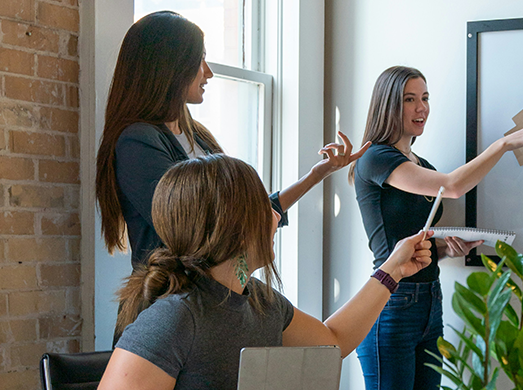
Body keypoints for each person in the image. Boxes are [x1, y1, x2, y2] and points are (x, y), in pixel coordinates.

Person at [87, 155, 432, 390]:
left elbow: (333, 342)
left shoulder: (260, 300)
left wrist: (392, 271)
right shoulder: (176, 317)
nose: (274, 215)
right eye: (261, 206)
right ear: (233, 225)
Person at [348, 66, 523, 390]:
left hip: (428, 303)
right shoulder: (376, 159)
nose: (421, 108)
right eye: (409, 99)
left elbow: (416, 241)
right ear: (388, 105)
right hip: (391, 304)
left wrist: (447, 248)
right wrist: (504, 144)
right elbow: (452, 187)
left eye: (425, 98)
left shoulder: (423, 167)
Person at [95, 11, 367, 269]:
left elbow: (249, 213)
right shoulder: (137, 141)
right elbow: (191, 228)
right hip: (171, 302)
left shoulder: (197, 135)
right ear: (170, 67)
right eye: (199, 60)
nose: (208, 72)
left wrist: (318, 174)